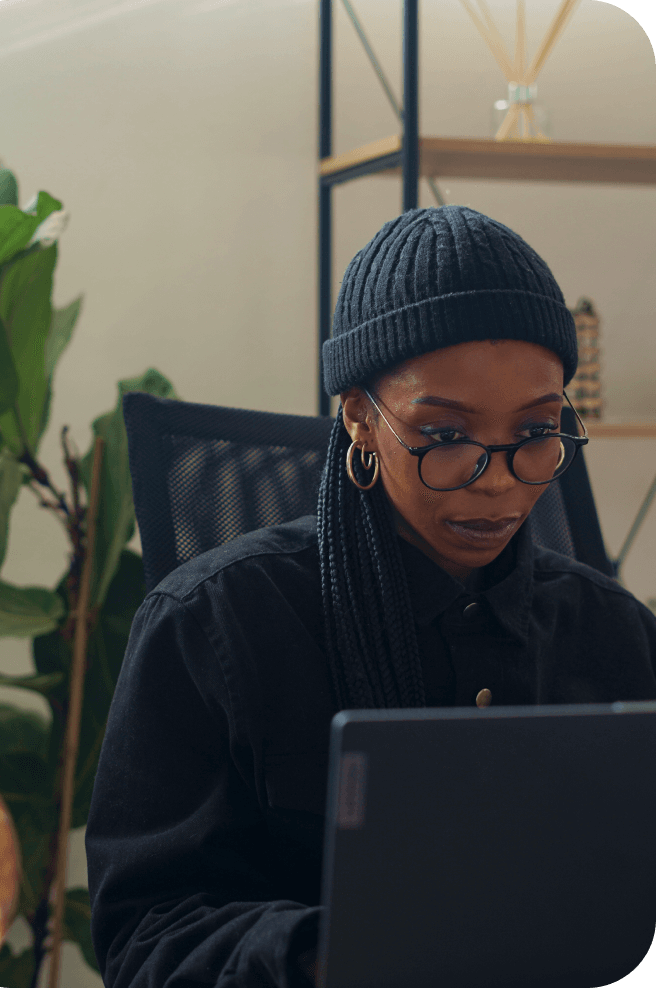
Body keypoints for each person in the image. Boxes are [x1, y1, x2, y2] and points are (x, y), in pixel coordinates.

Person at [85, 205, 656, 988]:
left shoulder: (614, 635)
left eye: (534, 434)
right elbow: (144, 935)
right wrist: (339, 953)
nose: (496, 482)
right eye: (446, 436)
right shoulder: (214, 623)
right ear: (358, 417)